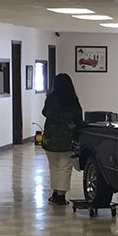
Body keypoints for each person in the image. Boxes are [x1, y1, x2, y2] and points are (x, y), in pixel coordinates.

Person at [41, 73, 82, 206]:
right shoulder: (72, 100)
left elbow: (45, 112)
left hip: (50, 137)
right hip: (67, 138)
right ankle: (61, 195)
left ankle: (55, 192)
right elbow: (78, 118)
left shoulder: (51, 99)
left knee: (53, 167)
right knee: (65, 166)